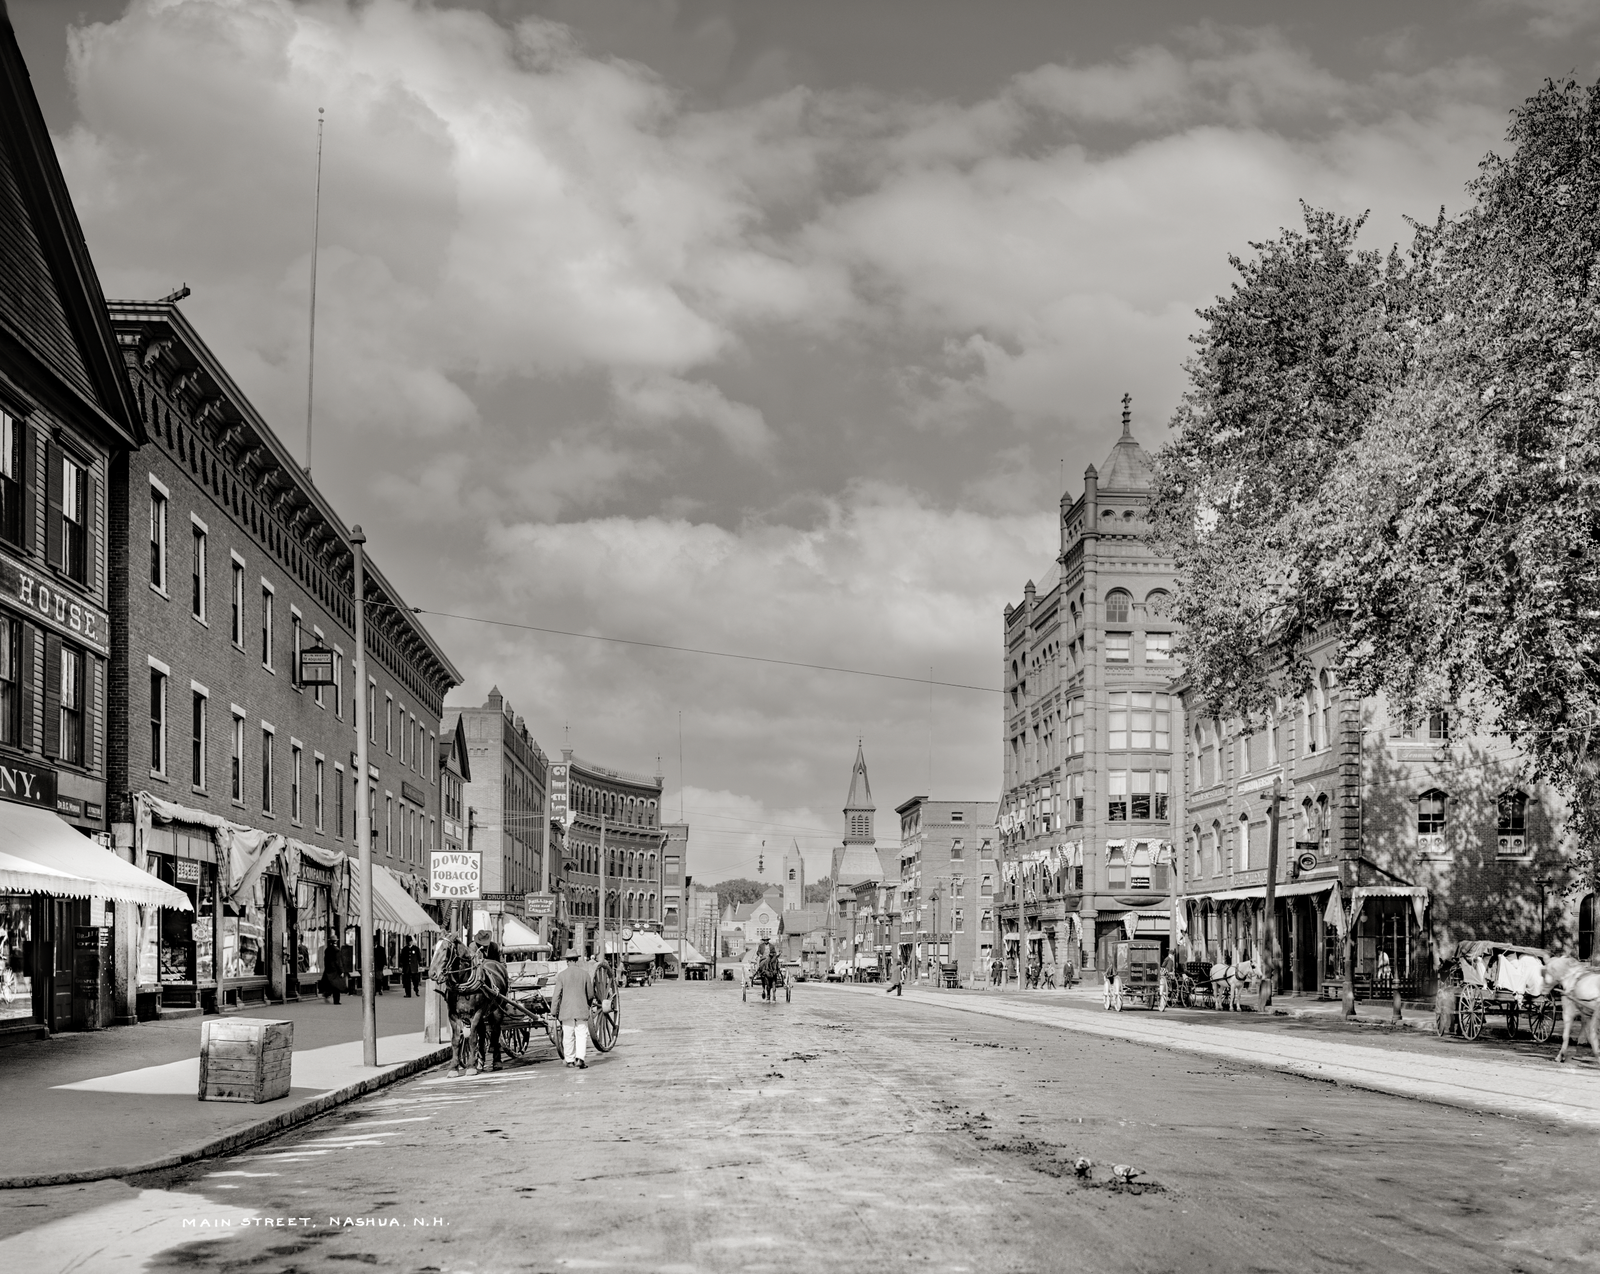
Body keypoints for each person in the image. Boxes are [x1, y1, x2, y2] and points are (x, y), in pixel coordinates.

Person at [550, 945, 597, 1069]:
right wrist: (587, 1004)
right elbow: (590, 994)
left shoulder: (562, 976)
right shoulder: (585, 974)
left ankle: (569, 1060)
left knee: (568, 1036)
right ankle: (580, 1059)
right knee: (581, 1035)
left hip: (566, 1011)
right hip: (581, 1010)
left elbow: (557, 996)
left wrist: (553, 1012)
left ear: (567, 961)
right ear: (576, 960)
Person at [320, 937, 345, 1005]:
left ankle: (326, 994)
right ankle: (336, 1000)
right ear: (336, 942)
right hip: (335, 970)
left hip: (328, 969)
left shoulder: (327, 950)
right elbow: (338, 962)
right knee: (337, 986)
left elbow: (325, 960)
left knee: (330, 984)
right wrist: (341, 971)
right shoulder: (336, 950)